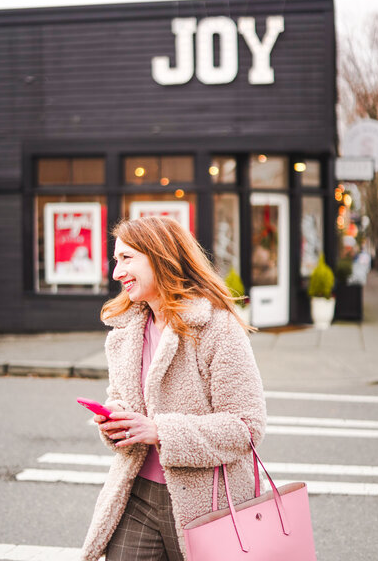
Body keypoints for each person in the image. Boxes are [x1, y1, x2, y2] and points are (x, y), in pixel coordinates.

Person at [81, 216, 266, 561]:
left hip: (208, 503)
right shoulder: (124, 334)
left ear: (159, 256)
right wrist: (115, 424)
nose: (116, 272)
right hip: (136, 495)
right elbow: (121, 401)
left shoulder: (216, 327)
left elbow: (247, 427)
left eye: (126, 259)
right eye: (115, 260)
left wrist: (159, 431)